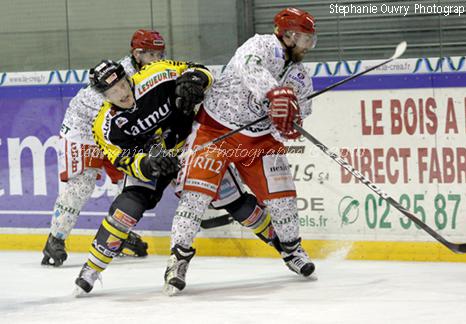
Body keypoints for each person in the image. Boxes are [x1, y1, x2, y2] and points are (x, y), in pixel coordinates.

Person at [74, 58, 282, 295]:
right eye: (112, 91)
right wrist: (149, 164)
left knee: (230, 199)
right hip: (154, 160)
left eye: (122, 84)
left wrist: (196, 80)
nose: (121, 93)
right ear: (104, 96)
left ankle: (285, 246)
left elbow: (200, 68)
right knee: (127, 209)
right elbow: (123, 159)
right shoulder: (104, 124)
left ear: (127, 77)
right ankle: (91, 268)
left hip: (190, 145)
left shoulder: (157, 73)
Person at [165, 7, 317, 295]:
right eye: (305, 39)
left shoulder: (299, 76)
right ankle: (178, 258)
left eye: (311, 40)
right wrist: (274, 92)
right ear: (288, 35)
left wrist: (290, 125)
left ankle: (292, 251)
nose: (308, 46)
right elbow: (250, 67)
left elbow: (302, 111)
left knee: (283, 201)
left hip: (260, 141)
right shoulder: (260, 44)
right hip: (215, 130)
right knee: (195, 197)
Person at [42, 29, 167, 267]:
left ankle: (117, 232)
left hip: (115, 129)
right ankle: (55, 239)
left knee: (131, 185)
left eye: (160, 53)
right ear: (137, 53)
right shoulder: (122, 76)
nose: (157, 59)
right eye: (151, 54)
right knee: (82, 184)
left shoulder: (156, 71)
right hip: (84, 127)